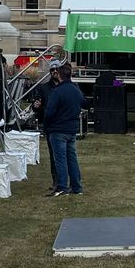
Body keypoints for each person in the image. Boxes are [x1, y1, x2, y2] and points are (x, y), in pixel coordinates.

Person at [40, 61, 84, 197]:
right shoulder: (76, 89)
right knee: (72, 158)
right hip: (71, 129)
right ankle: (76, 187)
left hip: (58, 129)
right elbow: (84, 103)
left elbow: (49, 112)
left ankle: (62, 187)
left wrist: (46, 127)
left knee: (60, 159)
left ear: (59, 75)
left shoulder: (57, 91)